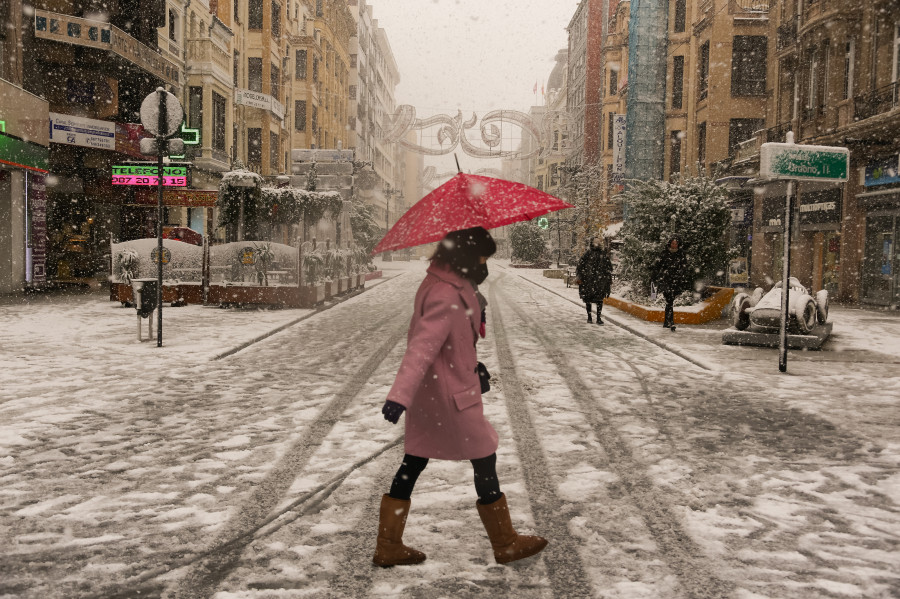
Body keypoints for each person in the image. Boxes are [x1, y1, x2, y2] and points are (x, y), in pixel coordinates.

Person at [375, 226, 548, 567]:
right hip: (449, 396)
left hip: (440, 389)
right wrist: (399, 395)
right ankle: (506, 542)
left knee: (414, 461)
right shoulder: (446, 293)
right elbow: (422, 348)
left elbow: (450, 341)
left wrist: (473, 363)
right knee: (484, 456)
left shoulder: (446, 284)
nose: (485, 263)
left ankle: (388, 544)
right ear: (468, 257)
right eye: (483, 256)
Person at [650, 236, 690, 331]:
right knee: (669, 300)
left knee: (670, 301)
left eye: (676, 243)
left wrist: (680, 274)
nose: (674, 245)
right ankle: (670, 322)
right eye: (673, 243)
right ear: (670, 244)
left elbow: (684, 267)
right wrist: (656, 276)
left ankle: (667, 321)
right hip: (666, 280)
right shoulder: (664, 253)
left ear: (678, 245)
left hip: (675, 281)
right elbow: (658, 266)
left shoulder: (681, 254)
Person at [575, 236, 613, 324]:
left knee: (599, 300)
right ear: (592, 243)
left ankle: (598, 318)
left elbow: (608, 268)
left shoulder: (603, 254)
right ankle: (589, 317)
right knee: (588, 299)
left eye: (598, 242)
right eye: (595, 242)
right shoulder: (587, 254)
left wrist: (608, 278)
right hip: (588, 281)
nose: (597, 244)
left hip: (600, 282)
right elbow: (580, 267)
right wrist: (580, 277)